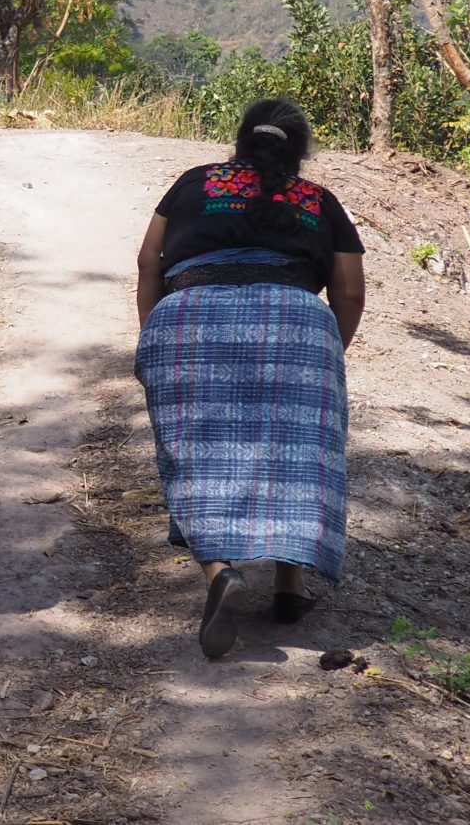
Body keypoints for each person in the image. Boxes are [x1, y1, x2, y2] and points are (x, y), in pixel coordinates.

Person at [134, 99, 366, 659]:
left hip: (189, 314)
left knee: (196, 450)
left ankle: (218, 570)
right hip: (298, 321)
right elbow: (350, 291)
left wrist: (154, 336)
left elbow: (148, 261)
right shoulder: (320, 201)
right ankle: (291, 587)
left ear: (239, 141)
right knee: (296, 450)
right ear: (300, 149)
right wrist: (325, 347)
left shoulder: (192, 183)